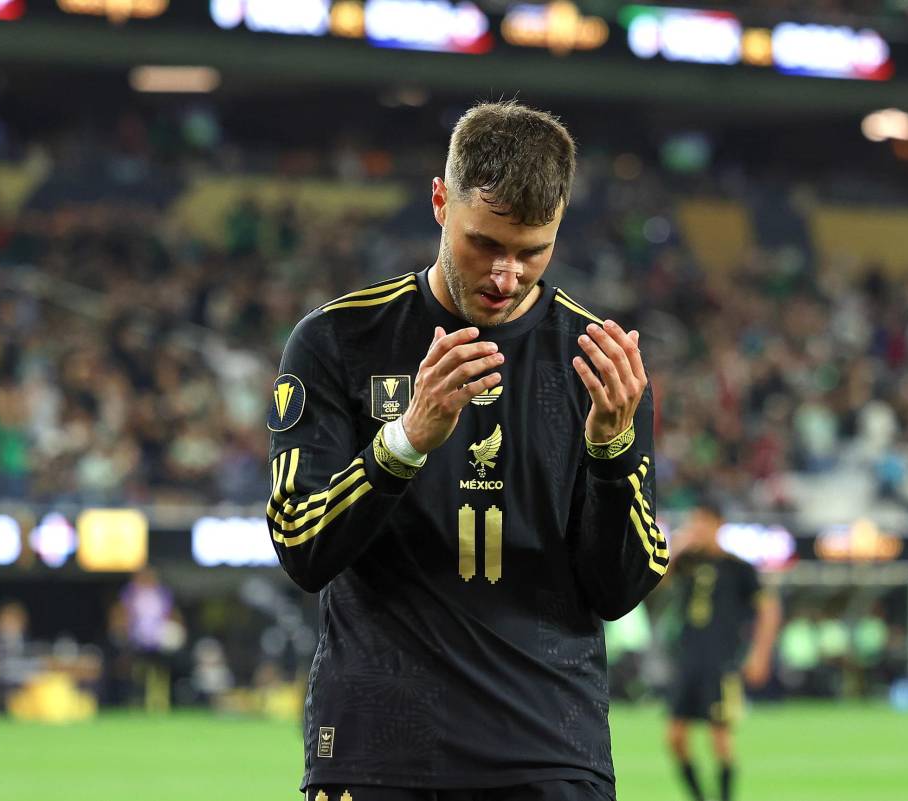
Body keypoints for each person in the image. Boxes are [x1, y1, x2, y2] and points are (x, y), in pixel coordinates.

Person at [266, 101, 667, 801]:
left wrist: (611, 453)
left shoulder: (597, 364)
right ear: (439, 202)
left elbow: (619, 591)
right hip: (375, 751)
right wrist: (404, 441)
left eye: (532, 251)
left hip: (547, 752)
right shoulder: (339, 341)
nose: (506, 276)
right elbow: (302, 548)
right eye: (485, 243)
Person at [663, 501, 780, 801]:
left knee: (720, 738)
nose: (696, 529)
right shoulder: (687, 563)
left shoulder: (738, 568)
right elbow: (657, 582)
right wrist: (676, 549)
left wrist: (760, 654)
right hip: (688, 660)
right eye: (693, 522)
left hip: (721, 661)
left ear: (718, 524)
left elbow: (769, 609)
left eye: (701, 522)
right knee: (675, 737)